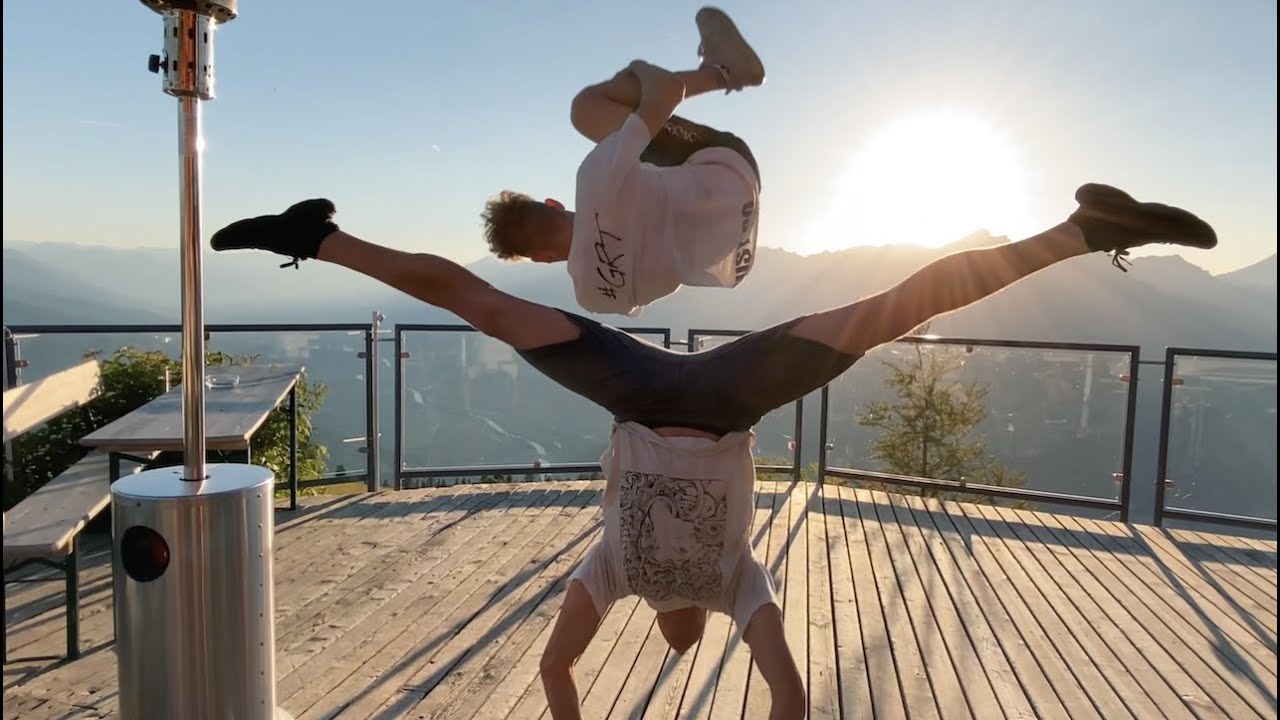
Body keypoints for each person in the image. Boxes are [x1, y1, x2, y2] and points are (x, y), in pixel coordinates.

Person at [209, 183, 1215, 719]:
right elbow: (784, 697)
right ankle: (1080, 230)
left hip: (648, 394)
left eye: (675, 638)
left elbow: (562, 676)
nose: (680, 639)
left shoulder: (622, 577)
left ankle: (319, 236)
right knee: (900, 305)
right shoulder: (731, 585)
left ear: (668, 624)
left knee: (481, 303)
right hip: (716, 400)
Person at [478, 6, 767, 317]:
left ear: (541, 257)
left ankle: (720, 75)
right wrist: (635, 69)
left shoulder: (593, 298)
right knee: (585, 108)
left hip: (733, 256)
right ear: (553, 204)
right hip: (730, 171)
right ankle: (723, 72)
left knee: (643, 188)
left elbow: (646, 293)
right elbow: (669, 93)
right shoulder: (594, 179)